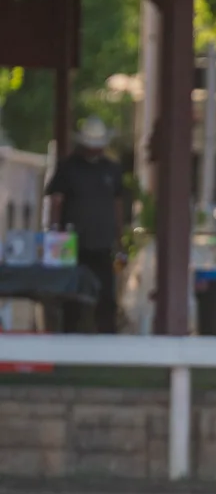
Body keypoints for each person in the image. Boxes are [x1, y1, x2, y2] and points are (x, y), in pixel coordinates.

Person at [45, 116, 126, 333]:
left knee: (106, 296)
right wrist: (54, 236)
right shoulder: (68, 167)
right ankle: (70, 336)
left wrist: (119, 238)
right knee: (72, 296)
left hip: (102, 243)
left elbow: (117, 203)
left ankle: (107, 338)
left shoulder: (112, 169)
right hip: (72, 244)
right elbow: (56, 201)